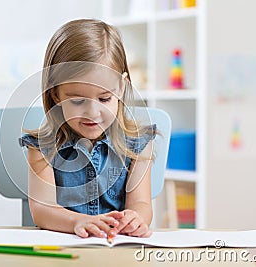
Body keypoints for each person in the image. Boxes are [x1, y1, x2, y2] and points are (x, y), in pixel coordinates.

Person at [19, 19, 156, 240]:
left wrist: (137, 218)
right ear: (55, 94)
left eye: (104, 98)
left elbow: (141, 204)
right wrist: (79, 222)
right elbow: (42, 211)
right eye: (77, 101)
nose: (93, 113)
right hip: (60, 250)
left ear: (121, 87)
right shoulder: (42, 147)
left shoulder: (139, 143)